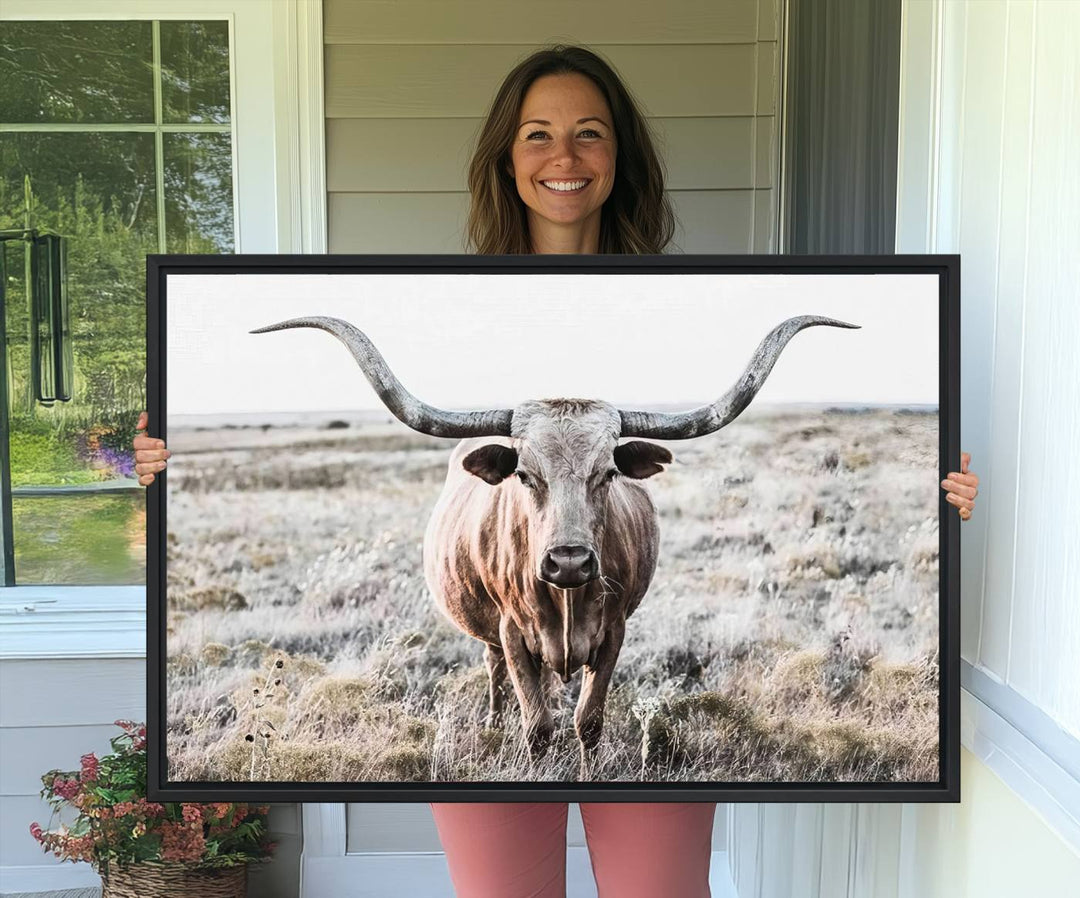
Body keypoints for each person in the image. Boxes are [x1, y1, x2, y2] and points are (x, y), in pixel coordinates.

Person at [134, 45, 980, 898]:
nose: (564, 157)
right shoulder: (453, 305)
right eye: (537, 134)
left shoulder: (681, 305)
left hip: (598, 579)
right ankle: (518, 688)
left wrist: (941, 500)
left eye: (590, 134)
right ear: (507, 157)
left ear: (621, 157)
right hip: (509, 594)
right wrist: (160, 468)